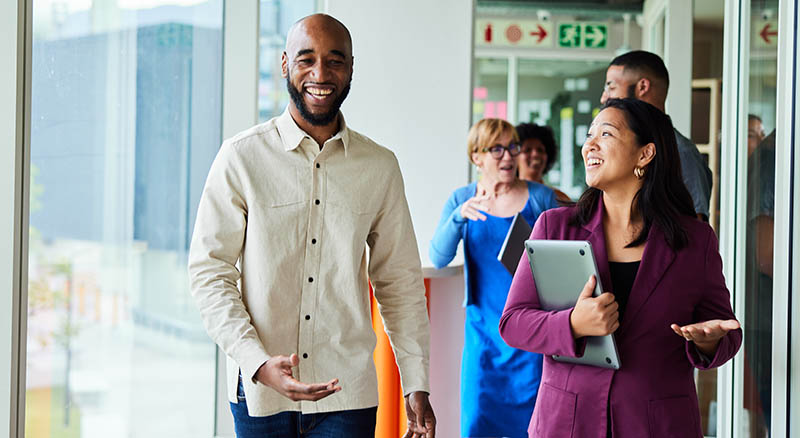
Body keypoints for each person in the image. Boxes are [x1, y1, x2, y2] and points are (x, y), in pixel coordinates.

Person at [188, 14, 435, 438]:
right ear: (285, 64)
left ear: (352, 68)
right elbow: (209, 273)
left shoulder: (380, 166)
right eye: (306, 59)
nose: (320, 74)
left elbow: (399, 281)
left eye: (335, 61)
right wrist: (257, 361)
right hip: (260, 393)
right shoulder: (241, 158)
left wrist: (416, 382)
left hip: (348, 397)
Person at [499, 98, 741, 438]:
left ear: (645, 154)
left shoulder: (695, 241)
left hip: (659, 424)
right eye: (589, 135)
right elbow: (513, 323)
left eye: (606, 134)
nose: (589, 146)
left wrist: (708, 342)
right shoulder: (555, 226)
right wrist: (572, 323)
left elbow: (725, 330)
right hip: (569, 422)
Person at [429, 118, 559, 438]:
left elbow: (561, 263)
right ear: (477, 156)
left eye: (512, 147)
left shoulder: (541, 199)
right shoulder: (462, 200)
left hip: (531, 338)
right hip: (483, 337)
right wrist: (459, 220)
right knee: (476, 424)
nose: (508, 156)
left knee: (532, 428)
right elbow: (438, 257)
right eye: (497, 149)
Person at [600, 50, 713, 221]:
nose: (604, 98)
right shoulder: (621, 149)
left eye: (611, 87)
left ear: (643, 87)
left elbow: (695, 231)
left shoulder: (681, 153)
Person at [515, 122, 571, 202]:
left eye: (540, 150)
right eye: (527, 150)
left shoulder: (559, 198)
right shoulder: (506, 197)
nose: (535, 154)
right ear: (514, 157)